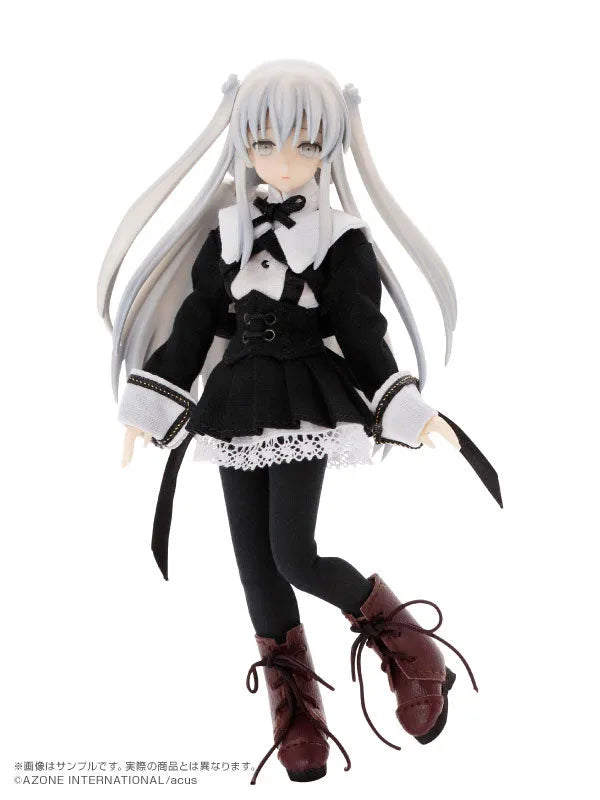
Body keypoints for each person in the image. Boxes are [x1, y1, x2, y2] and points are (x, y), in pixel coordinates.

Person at [98, 60, 485, 785]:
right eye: (264, 143)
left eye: (305, 144)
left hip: (303, 397)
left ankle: (409, 646)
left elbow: (362, 332)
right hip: (234, 404)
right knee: (255, 566)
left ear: (331, 147)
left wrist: (406, 407)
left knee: (294, 553)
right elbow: (195, 322)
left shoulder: (340, 239)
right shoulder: (227, 234)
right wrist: (148, 404)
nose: (281, 161)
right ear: (241, 144)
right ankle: (298, 706)